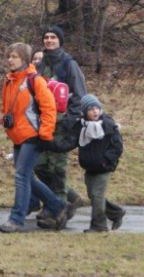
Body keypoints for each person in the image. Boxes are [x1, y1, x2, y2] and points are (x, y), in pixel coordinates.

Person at [0, 42, 68, 233]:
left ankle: (16, 219)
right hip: (18, 135)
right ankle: (57, 205)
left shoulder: (35, 80)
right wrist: (5, 121)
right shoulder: (9, 80)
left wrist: (44, 135)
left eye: (14, 56)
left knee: (21, 176)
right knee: (27, 177)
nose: (10, 60)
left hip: (33, 135)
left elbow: (49, 108)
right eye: (9, 56)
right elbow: (7, 108)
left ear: (25, 59)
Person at [33, 26, 86, 220]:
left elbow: (80, 94)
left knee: (57, 168)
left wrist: (70, 120)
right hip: (43, 123)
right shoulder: (40, 65)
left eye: (53, 37)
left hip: (62, 124)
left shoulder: (69, 64)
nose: (49, 40)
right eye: (46, 37)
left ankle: (57, 211)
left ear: (60, 41)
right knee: (39, 165)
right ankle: (66, 201)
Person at [52, 94, 125, 232]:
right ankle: (116, 213)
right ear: (85, 112)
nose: (95, 111)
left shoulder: (107, 125)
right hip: (90, 168)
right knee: (94, 196)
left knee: (97, 195)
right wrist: (50, 144)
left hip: (104, 168)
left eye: (97, 108)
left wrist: (106, 161)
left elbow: (118, 146)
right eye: (91, 109)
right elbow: (69, 143)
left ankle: (99, 225)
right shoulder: (81, 126)